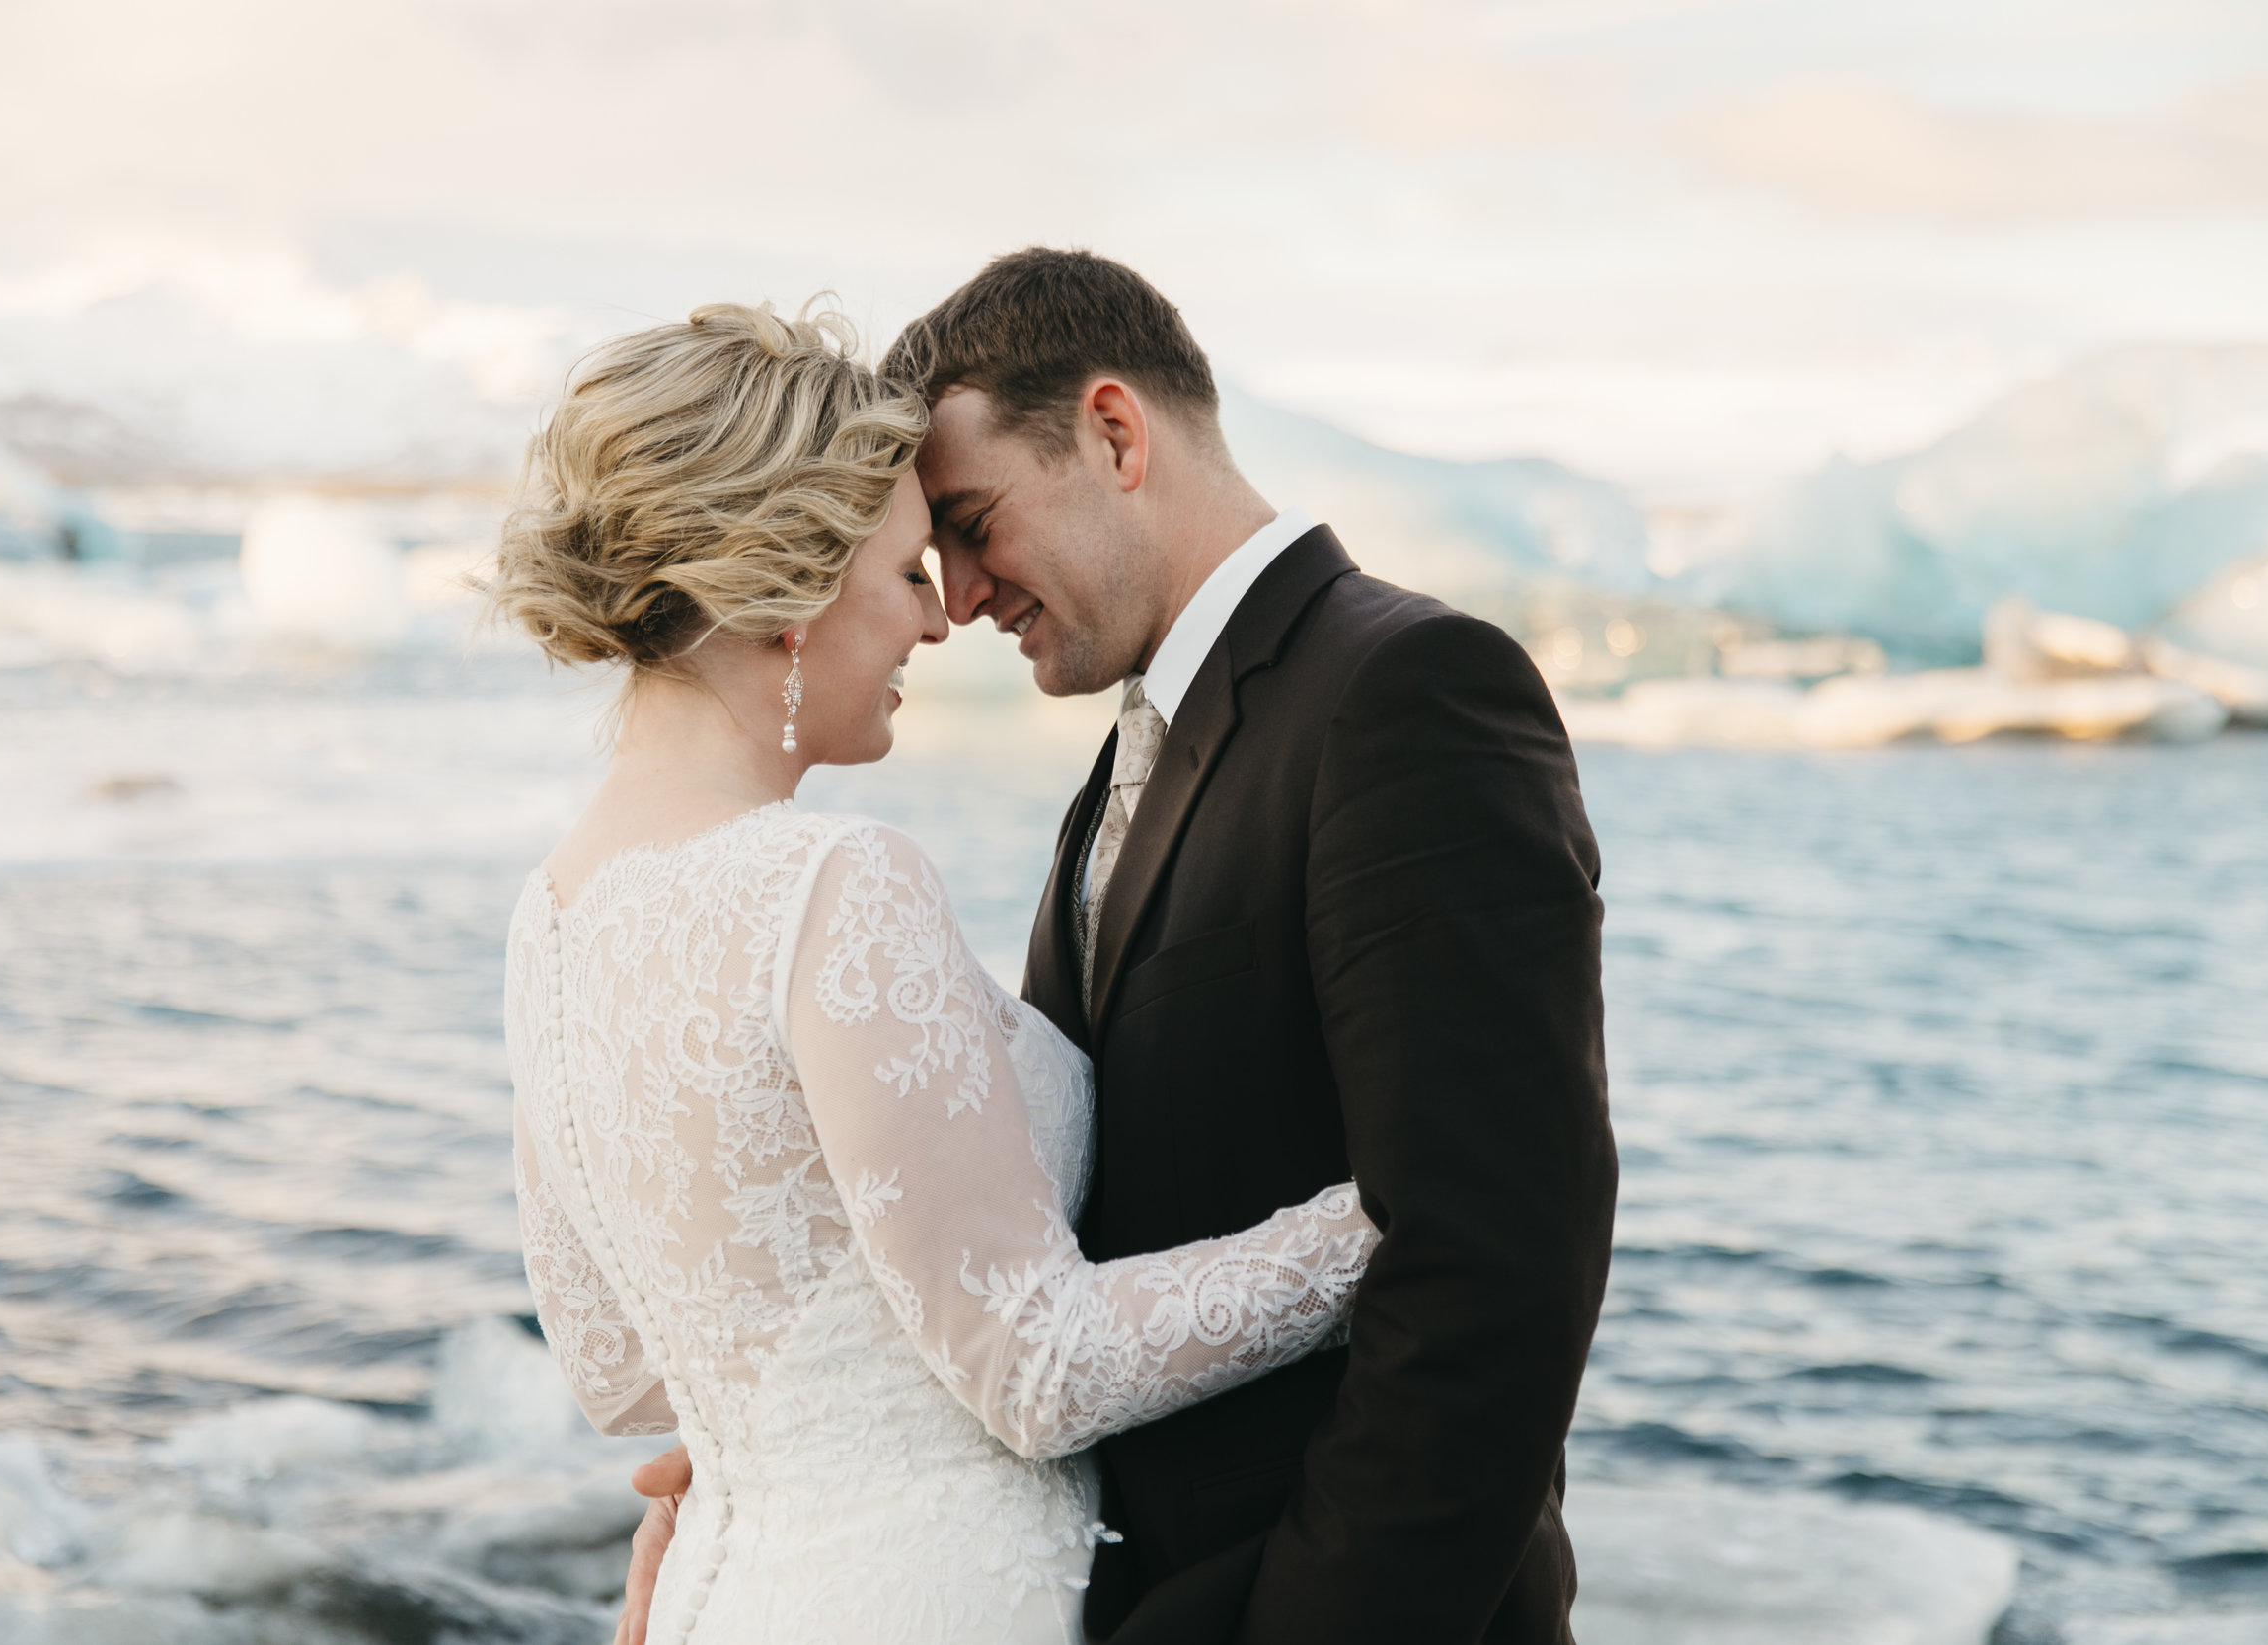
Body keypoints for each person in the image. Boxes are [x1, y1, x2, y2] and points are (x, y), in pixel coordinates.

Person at [620, 250, 1618, 1644]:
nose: (955, 597)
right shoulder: (1123, 771)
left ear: (1112, 432)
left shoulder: (1407, 694)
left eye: (970, 522)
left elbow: (1491, 1267)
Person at [491, 300, 1380, 1645]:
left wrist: (771, 1446)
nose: (936, 617)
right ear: (790, 589)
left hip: (723, 1600)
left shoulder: (547, 922)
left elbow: (619, 1370)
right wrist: (1377, 1226)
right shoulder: (830, 887)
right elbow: (1036, 1365)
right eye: (908, 571)